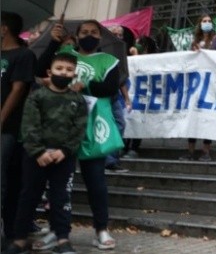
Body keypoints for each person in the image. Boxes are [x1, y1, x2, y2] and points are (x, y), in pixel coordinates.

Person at [36, 20, 121, 250]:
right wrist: (53, 43)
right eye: (85, 32)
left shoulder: (109, 61)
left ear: (100, 37)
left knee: (96, 183)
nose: (89, 36)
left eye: (94, 32)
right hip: (62, 127)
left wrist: (85, 86)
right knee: (59, 184)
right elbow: (40, 69)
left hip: (94, 128)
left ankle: (101, 229)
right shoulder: (65, 54)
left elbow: (110, 88)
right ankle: (56, 231)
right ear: (77, 35)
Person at [5, 53, 87, 254]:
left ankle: (62, 239)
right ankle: (20, 239)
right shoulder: (37, 96)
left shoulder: (77, 100)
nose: (63, 73)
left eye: (68, 70)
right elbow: (30, 125)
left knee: (61, 199)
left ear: (74, 74)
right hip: (35, 157)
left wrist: (65, 150)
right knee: (28, 197)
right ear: (50, 72)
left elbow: (79, 128)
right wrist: (38, 151)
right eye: (59, 69)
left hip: (63, 157)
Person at [1, 12, 37, 248]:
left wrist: (1, 118)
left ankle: (11, 234)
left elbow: (18, 88)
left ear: (4, 29)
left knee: (3, 180)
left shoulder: (24, 55)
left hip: (9, 128)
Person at [182, 14, 216, 161]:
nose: (207, 23)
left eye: (209, 21)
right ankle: (190, 151)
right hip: (196, 84)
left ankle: (206, 151)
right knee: (193, 116)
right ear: (199, 24)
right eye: (204, 21)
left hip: (211, 84)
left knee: (208, 117)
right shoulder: (195, 41)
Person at [121, 35, 159, 159]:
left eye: (140, 43)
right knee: (128, 118)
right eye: (136, 43)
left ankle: (134, 147)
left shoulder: (153, 59)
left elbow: (143, 69)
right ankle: (124, 146)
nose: (136, 45)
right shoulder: (128, 58)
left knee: (139, 120)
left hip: (144, 96)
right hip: (131, 94)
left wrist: (136, 55)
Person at [105, 25, 135, 173]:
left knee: (119, 124)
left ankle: (112, 158)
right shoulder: (102, 51)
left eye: (120, 35)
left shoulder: (120, 52)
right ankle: (109, 160)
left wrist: (126, 98)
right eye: (114, 34)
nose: (117, 37)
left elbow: (121, 78)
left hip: (114, 95)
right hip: (102, 96)